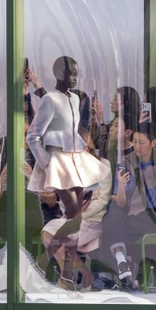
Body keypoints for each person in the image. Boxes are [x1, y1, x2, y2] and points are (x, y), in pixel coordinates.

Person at [26, 56, 110, 221]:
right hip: (57, 161)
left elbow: (72, 130)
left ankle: (66, 245)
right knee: (74, 213)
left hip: (75, 159)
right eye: (71, 75)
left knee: (76, 216)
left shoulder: (75, 99)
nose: (74, 80)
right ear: (58, 74)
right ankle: (58, 243)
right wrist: (47, 162)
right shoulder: (50, 99)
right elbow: (33, 136)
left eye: (76, 76)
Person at [103, 123, 156, 290]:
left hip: (151, 213)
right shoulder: (126, 162)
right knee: (114, 213)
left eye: (142, 142)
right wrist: (122, 185)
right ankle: (121, 261)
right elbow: (122, 201)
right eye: (135, 141)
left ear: (153, 143)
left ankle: (124, 265)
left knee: (116, 224)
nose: (137, 146)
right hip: (130, 213)